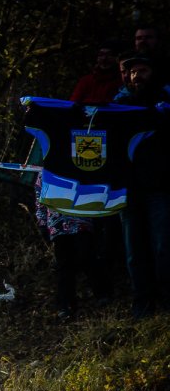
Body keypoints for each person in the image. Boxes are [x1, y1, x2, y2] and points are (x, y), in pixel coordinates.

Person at [113, 53, 170, 317]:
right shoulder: (118, 104)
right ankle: (142, 303)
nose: (137, 76)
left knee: (163, 246)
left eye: (143, 70)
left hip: (160, 186)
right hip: (128, 189)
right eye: (133, 72)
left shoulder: (165, 101)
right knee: (134, 251)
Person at [70, 39, 124, 103]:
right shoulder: (85, 81)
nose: (104, 58)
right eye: (101, 54)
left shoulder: (122, 81)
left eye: (109, 54)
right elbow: (73, 103)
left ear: (116, 58)